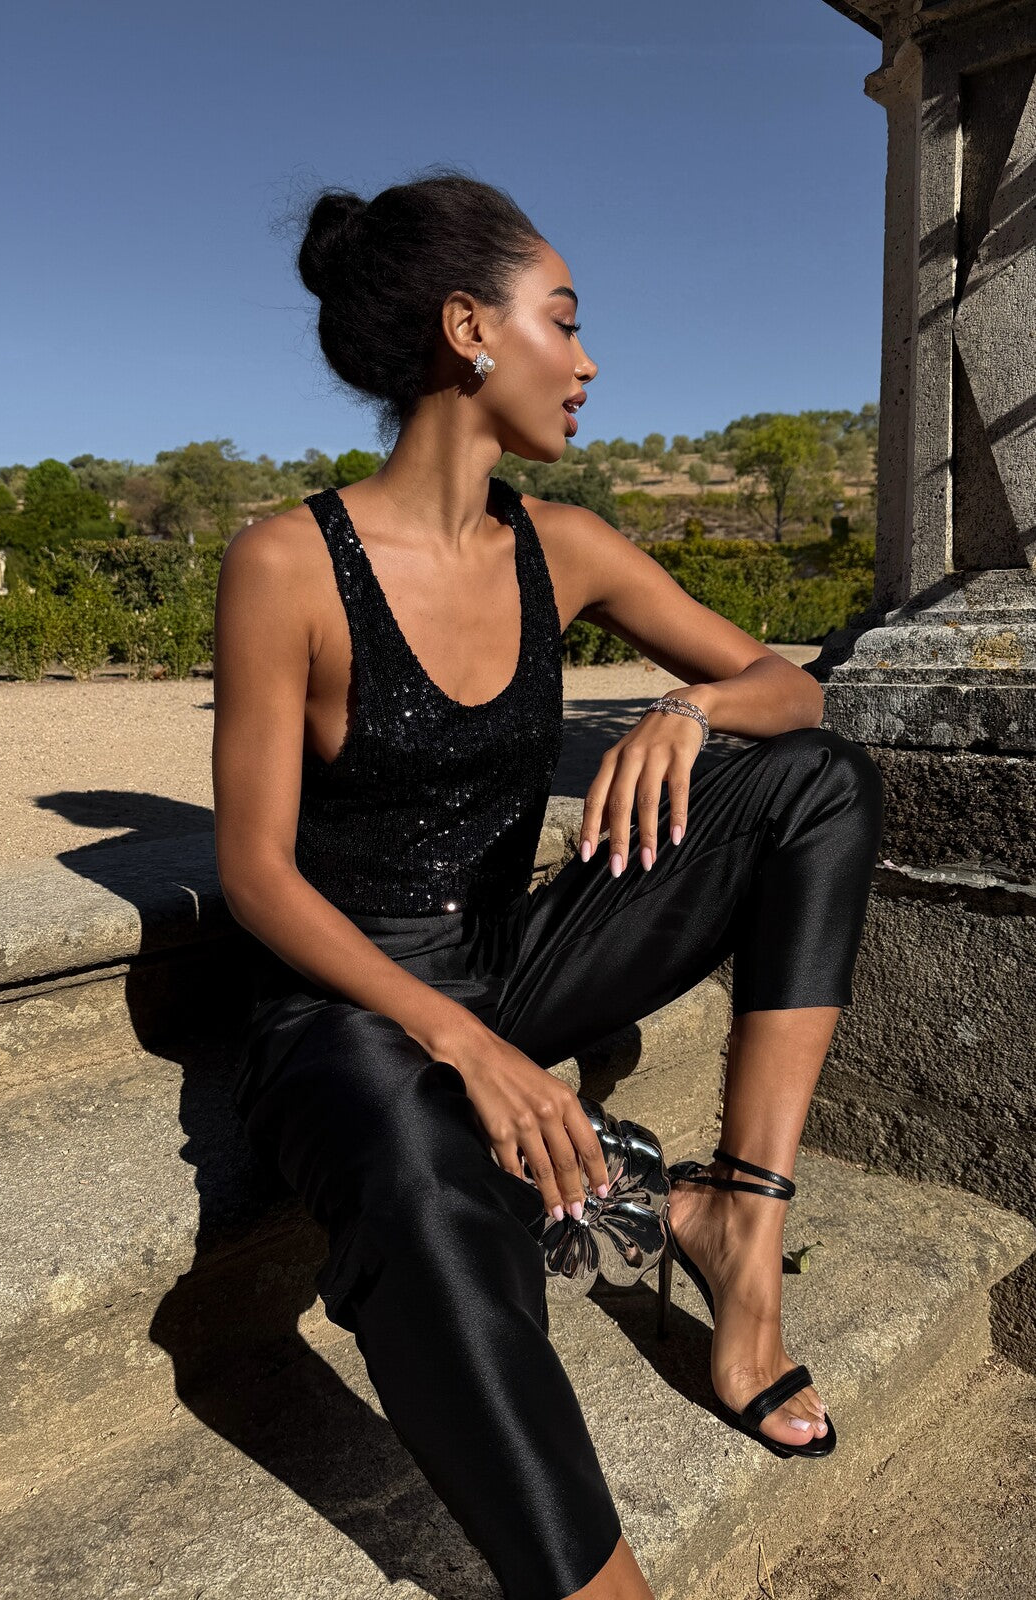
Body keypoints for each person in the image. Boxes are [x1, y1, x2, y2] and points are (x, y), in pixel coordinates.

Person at [211, 168, 884, 1600]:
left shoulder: (561, 546)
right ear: (470, 330)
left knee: (820, 785)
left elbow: (794, 691)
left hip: (509, 956)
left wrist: (688, 712)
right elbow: (254, 874)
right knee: (421, 1183)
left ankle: (738, 1229)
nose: (586, 363)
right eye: (563, 321)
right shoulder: (287, 564)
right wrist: (463, 1045)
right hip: (345, 1010)